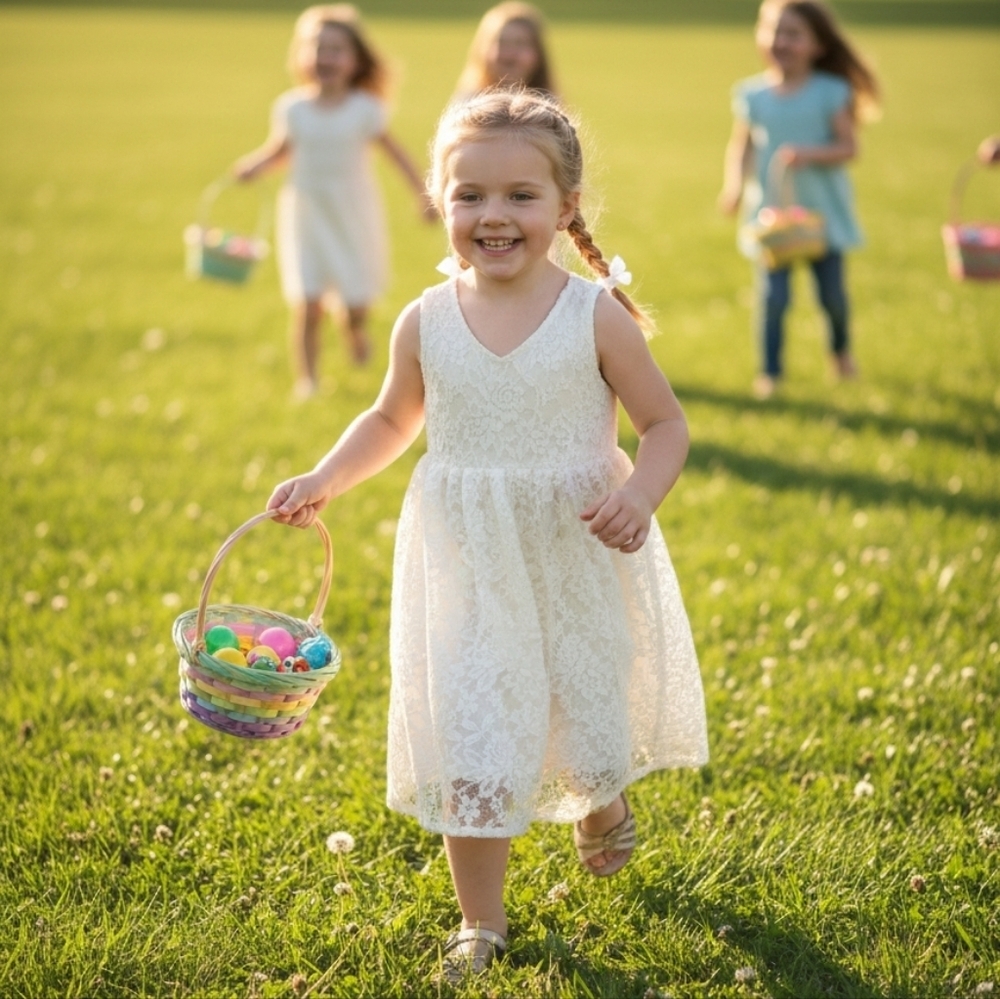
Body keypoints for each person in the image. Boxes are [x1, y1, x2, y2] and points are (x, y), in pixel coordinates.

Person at [266, 89, 708, 981]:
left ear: (565, 206)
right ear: (440, 198)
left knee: (582, 700)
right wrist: (324, 478)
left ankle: (597, 795)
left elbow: (665, 426)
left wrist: (645, 496)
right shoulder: (424, 321)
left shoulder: (596, 315)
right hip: (468, 559)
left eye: (520, 196)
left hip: (576, 546)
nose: (493, 216)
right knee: (474, 723)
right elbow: (393, 420)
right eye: (470, 195)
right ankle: (483, 921)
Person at [234, 4, 433, 397]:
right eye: (317, 48)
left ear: (355, 59)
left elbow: (395, 154)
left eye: (336, 49)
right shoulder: (292, 108)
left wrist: (422, 195)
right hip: (306, 213)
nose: (325, 57)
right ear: (302, 56)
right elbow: (283, 150)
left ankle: (353, 327)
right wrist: (254, 166)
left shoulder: (365, 110)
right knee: (307, 302)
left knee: (357, 300)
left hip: (351, 213)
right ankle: (307, 382)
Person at [719, 0, 880, 398]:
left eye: (793, 34)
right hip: (773, 217)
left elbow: (849, 148)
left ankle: (841, 352)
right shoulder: (754, 95)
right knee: (774, 298)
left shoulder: (830, 93)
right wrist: (734, 186)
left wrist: (809, 153)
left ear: (818, 45)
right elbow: (742, 147)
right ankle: (770, 373)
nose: (780, 41)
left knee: (832, 296)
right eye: (773, 31)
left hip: (820, 217)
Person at [454, 2, 558, 99]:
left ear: (538, 53)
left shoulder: (549, 106)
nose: (510, 54)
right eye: (501, 43)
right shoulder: (468, 106)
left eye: (520, 43)